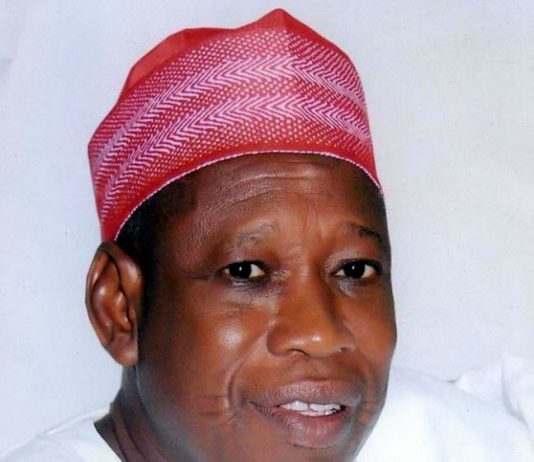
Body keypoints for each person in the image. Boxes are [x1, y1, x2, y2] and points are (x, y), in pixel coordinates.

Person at [1, 8, 532, 462]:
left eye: (354, 269)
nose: (320, 334)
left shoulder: (472, 442)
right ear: (119, 307)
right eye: (247, 272)